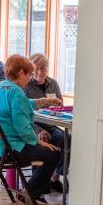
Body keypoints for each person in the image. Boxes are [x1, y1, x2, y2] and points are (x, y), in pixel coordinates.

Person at [0, 53, 60, 205]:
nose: (30, 79)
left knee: (50, 150)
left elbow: (20, 105)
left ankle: (30, 195)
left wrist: (42, 101)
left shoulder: (2, 86)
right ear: (21, 73)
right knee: (53, 152)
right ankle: (30, 194)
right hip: (6, 149)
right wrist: (39, 142)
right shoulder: (17, 92)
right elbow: (22, 127)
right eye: (29, 75)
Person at [26, 53, 67, 192]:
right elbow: (25, 115)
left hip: (50, 124)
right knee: (44, 143)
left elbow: (61, 105)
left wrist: (56, 107)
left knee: (66, 138)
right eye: (36, 69)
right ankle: (40, 182)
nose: (39, 72)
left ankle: (55, 177)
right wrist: (38, 131)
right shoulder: (26, 86)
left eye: (43, 68)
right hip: (33, 125)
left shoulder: (53, 83)